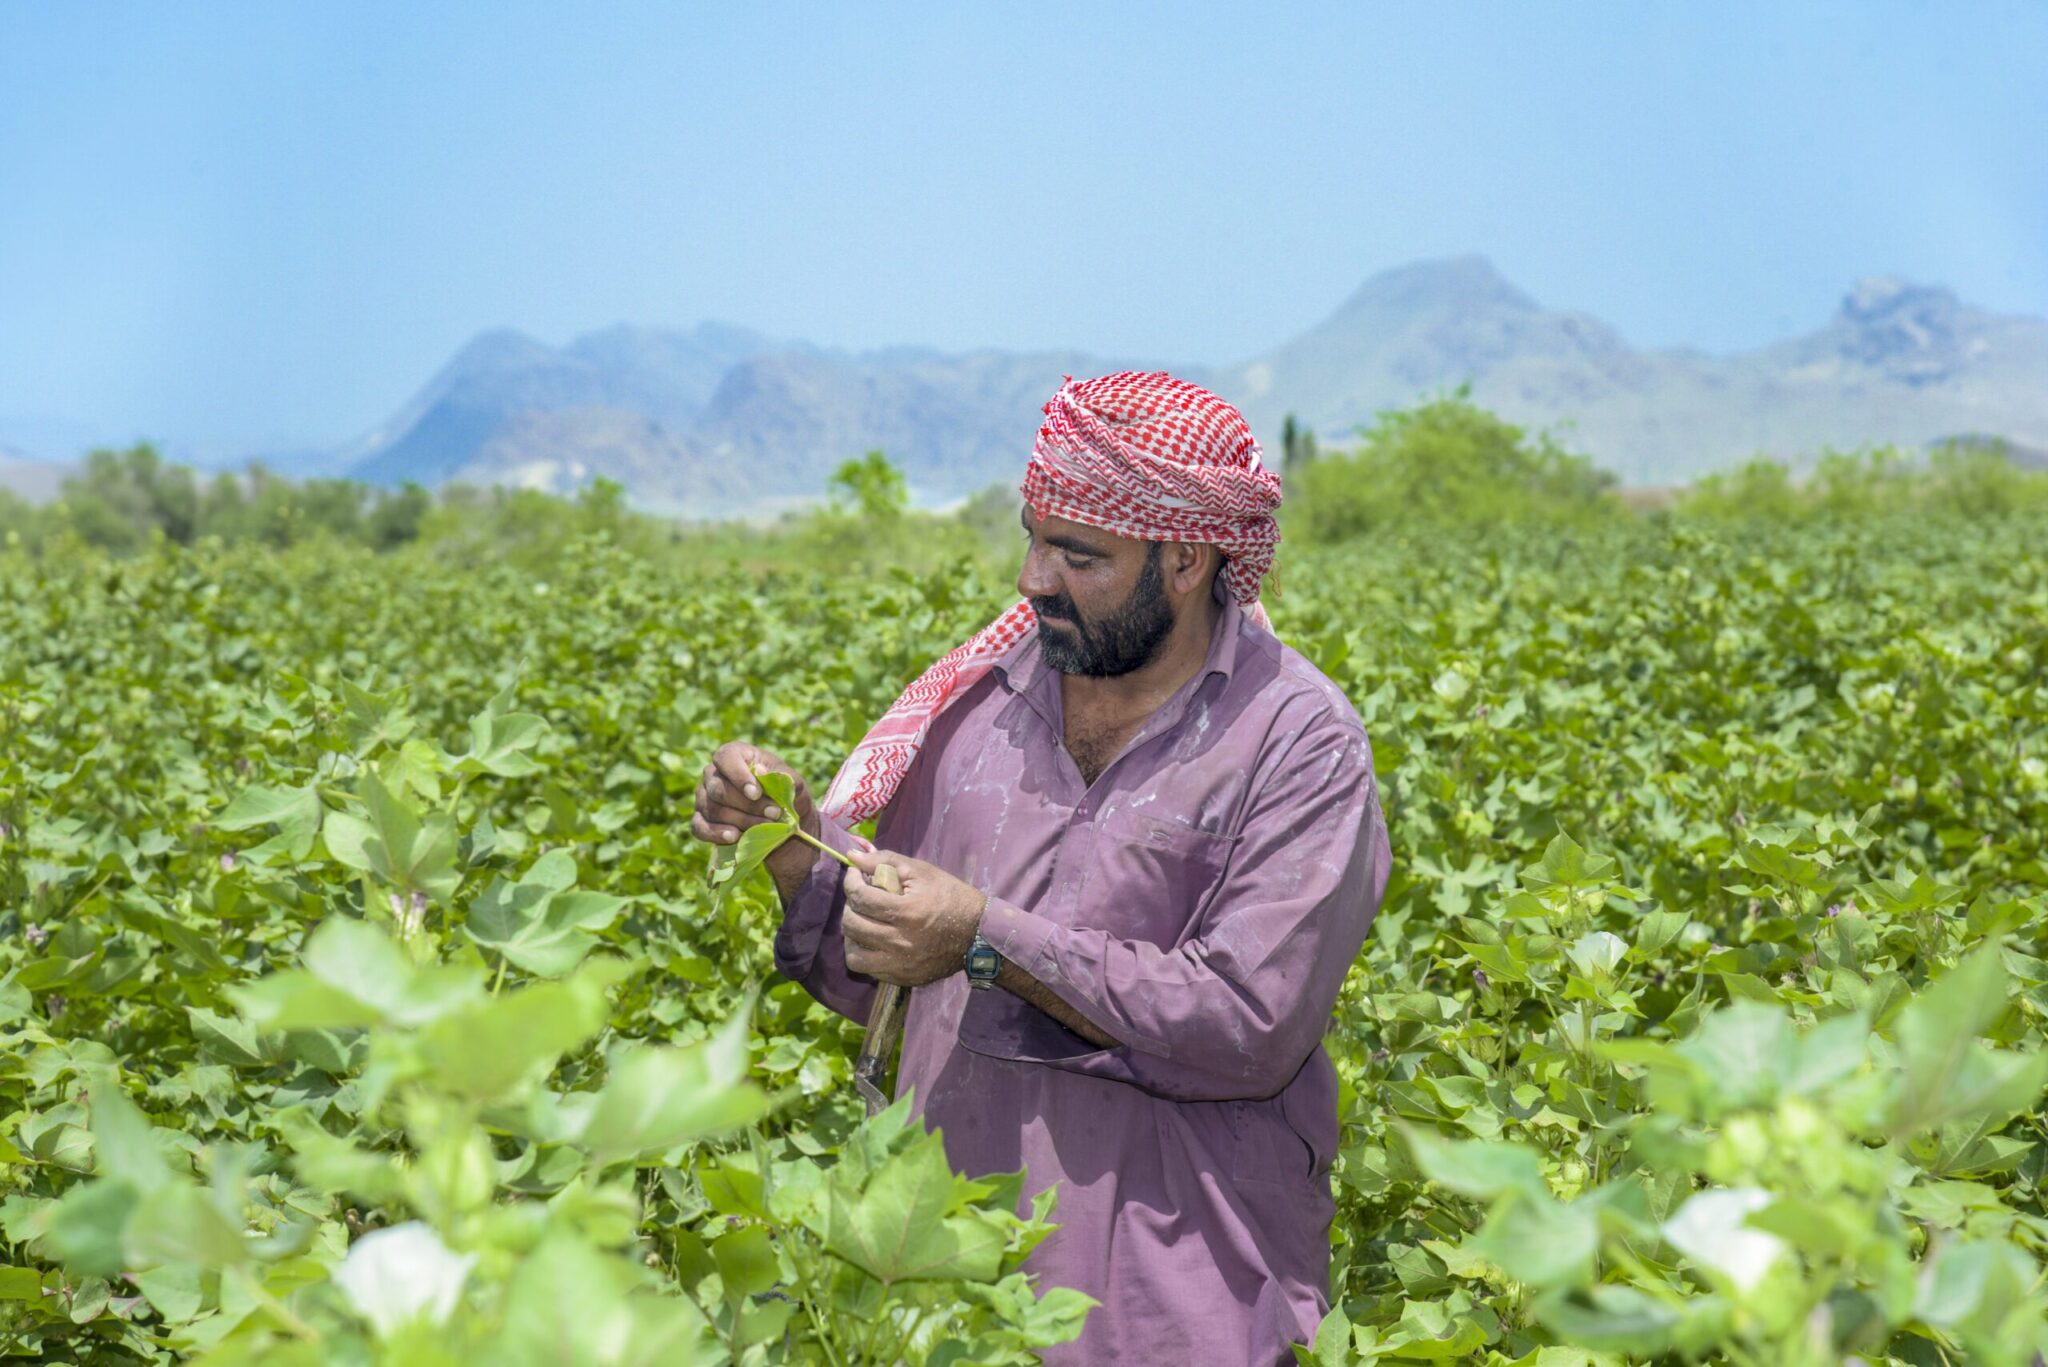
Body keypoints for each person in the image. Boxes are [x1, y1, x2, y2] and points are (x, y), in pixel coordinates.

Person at [691, 371, 1390, 1364]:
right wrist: (791, 838)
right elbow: (887, 968)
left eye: (1077, 553)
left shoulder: (1296, 744)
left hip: (1175, 1314)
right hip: (947, 1295)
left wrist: (984, 935)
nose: (1031, 577)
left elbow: (1248, 1024)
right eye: (1031, 536)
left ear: (1185, 557)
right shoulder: (976, 711)